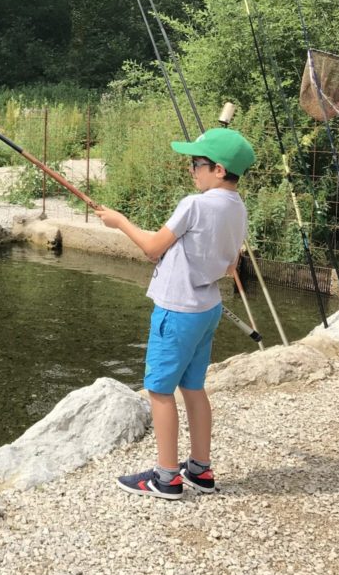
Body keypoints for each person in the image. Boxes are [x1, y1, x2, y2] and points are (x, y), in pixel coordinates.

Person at [94, 127, 256, 499]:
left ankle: (166, 478)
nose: (191, 171)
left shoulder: (194, 204)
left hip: (178, 310)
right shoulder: (238, 207)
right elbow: (231, 262)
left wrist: (119, 222)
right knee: (194, 387)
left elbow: (152, 247)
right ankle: (200, 470)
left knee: (160, 391)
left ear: (217, 169)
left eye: (195, 164)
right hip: (207, 308)